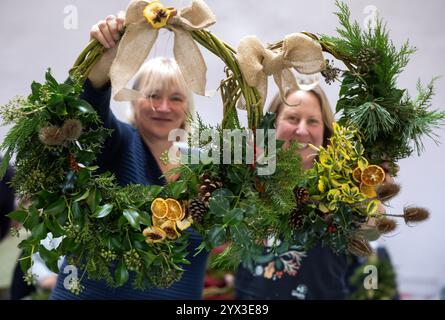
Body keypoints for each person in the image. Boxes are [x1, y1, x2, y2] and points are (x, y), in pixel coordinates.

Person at [50, 14, 208, 299]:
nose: (163, 106)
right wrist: (102, 63)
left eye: (175, 98)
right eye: (152, 95)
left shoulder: (206, 168)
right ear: (134, 100)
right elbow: (90, 112)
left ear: (188, 107)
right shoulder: (119, 142)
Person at [235, 86, 352, 300]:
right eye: (292, 118)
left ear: (325, 130)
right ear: (272, 124)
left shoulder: (344, 191)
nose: (301, 130)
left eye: (313, 121)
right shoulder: (243, 182)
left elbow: (372, 227)